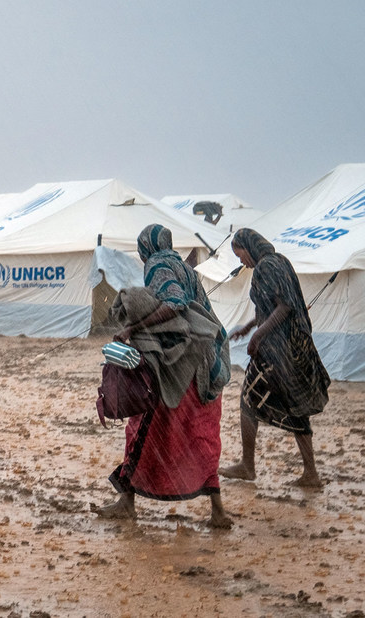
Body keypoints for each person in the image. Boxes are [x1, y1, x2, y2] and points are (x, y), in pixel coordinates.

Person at [96, 224, 232, 528]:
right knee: (201, 435)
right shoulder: (185, 267)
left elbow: (174, 303)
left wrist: (131, 328)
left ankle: (126, 503)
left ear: (146, 247)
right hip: (205, 365)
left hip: (179, 368)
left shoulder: (158, 265)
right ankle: (218, 511)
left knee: (142, 429)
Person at [219, 228, 330, 488]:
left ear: (249, 247)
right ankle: (309, 472)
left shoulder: (265, 268)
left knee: (249, 400)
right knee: (294, 405)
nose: (241, 261)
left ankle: (248, 466)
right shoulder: (280, 262)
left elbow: (284, 307)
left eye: (240, 254)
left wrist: (257, 336)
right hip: (293, 348)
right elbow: (272, 307)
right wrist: (249, 327)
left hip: (278, 351)